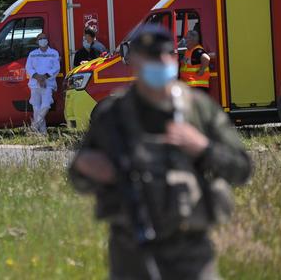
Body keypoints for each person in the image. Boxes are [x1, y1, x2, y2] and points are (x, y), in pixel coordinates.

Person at [69, 25, 251, 280]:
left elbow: (242, 169)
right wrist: (87, 168)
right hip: (130, 255)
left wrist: (204, 148)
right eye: (149, 56)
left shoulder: (199, 110)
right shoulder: (113, 114)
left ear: (174, 58)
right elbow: (78, 176)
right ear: (134, 63)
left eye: (164, 54)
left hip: (190, 254)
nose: (159, 61)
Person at [25, 33, 61, 134]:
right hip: (35, 84)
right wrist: (38, 78)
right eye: (40, 39)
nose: (42, 40)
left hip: (48, 83)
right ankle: (42, 133)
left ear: (47, 40)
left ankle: (34, 126)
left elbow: (56, 68)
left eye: (44, 38)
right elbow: (28, 68)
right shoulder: (32, 54)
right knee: (36, 107)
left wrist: (44, 77)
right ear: (37, 42)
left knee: (46, 104)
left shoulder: (54, 53)